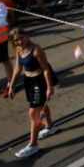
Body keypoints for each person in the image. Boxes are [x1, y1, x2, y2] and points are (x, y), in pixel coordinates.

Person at [8, 28, 58, 158]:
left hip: (39, 82)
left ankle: (33, 144)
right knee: (41, 105)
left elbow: (46, 69)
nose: (20, 41)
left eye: (21, 38)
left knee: (33, 112)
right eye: (16, 40)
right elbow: (18, 68)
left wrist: (49, 87)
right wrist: (11, 85)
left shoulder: (36, 50)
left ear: (27, 36)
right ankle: (50, 127)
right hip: (29, 81)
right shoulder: (19, 49)